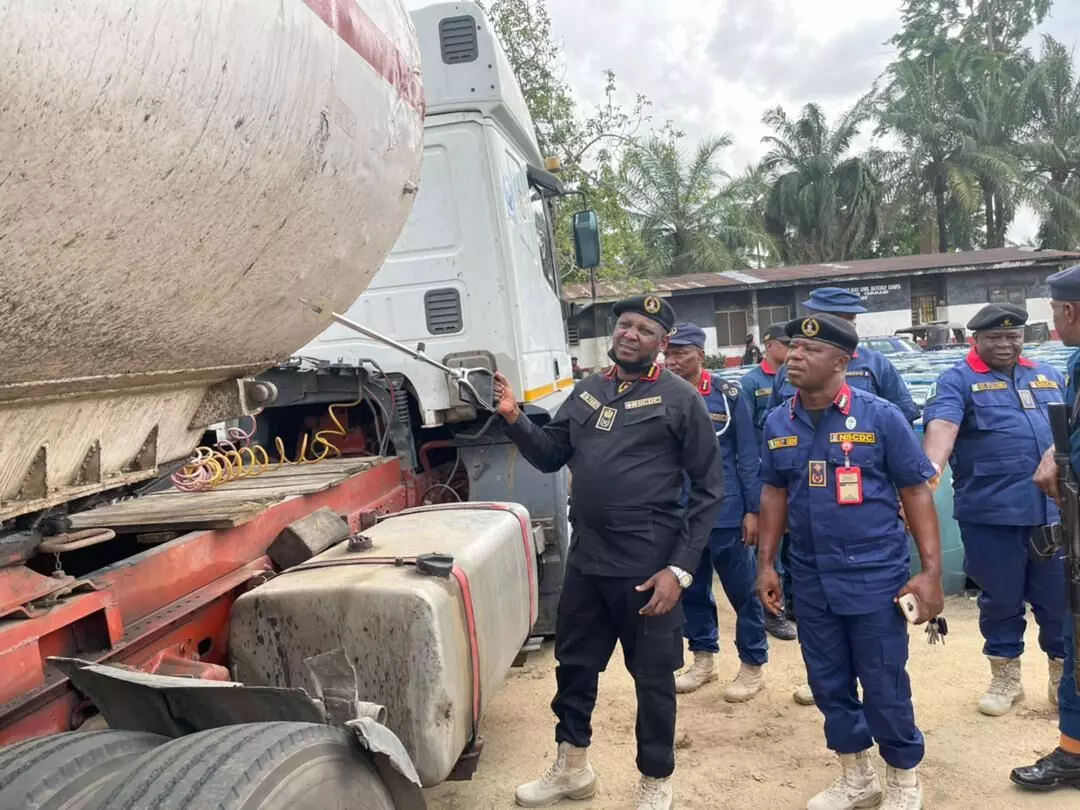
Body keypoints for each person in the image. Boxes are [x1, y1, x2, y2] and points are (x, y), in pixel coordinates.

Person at [495, 295, 724, 810]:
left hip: (647, 566)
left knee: (652, 679)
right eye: (625, 324)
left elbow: (710, 492)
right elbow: (552, 454)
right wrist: (513, 417)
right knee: (574, 666)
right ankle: (572, 767)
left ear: (662, 344)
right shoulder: (589, 390)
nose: (631, 333)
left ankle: (655, 782)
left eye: (644, 329)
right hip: (588, 560)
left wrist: (680, 570)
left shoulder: (680, 398)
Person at [755, 313, 944, 810]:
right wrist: (767, 563)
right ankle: (857, 776)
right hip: (811, 576)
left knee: (884, 681)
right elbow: (774, 491)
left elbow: (915, 493)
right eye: (793, 347)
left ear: (842, 362)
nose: (795, 356)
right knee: (828, 680)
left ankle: (902, 777)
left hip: (874, 575)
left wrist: (930, 572)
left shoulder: (881, 417)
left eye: (809, 351)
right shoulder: (778, 420)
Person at [766, 287, 920, 706]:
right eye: (834, 316)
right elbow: (782, 439)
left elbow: (900, 428)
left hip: (864, 513)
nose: (844, 323)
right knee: (818, 624)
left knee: (879, 656)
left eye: (848, 318)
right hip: (810, 524)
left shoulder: (875, 366)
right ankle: (825, 677)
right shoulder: (792, 372)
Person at [922, 304, 1067, 717]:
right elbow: (941, 433)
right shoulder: (957, 380)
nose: (1005, 344)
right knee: (1001, 599)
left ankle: (1063, 679)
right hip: (991, 515)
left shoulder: (1049, 375)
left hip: (1053, 514)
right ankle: (1006, 678)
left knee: (1059, 599)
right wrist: (924, 480)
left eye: (1013, 336)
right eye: (995, 337)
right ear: (976, 340)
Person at [662, 322, 770, 700]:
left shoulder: (728, 395)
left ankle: (752, 663)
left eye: (680, 353)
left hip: (726, 514)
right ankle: (703, 659)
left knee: (744, 592)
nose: (672, 360)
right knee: (690, 589)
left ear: (700, 354)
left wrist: (753, 511)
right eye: (668, 353)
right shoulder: (659, 392)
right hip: (680, 513)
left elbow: (748, 456)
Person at [1010, 264, 1080, 791]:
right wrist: (1059, 456)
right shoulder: (1078, 363)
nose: (1054, 320)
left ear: (1070, 310)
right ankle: (1074, 752)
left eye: (1055, 311)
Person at [766, 288, 920, 425]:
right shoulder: (790, 368)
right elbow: (773, 423)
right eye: (842, 318)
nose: (850, 324)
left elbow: (903, 418)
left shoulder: (876, 363)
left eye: (852, 318)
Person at [741, 322, 798, 641]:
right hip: (770, 473)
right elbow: (749, 434)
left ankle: (792, 605)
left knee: (795, 547)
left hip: (796, 474)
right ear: (769, 345)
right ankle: (772, 613)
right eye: (786, 344)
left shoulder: (798, 376)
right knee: (770, 547)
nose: (793, 351)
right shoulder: (751, 383)